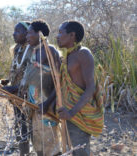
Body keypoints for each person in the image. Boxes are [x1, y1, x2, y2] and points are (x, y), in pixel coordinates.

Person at [56, 21, 104, 156]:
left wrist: (71, 112)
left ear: (72, 35)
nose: (57, 36)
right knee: (71, 151)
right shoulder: (66, 56)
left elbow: (90, 88)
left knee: (80, 151)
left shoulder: (83, 54)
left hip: (79, 113)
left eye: (60, 33)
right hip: (67, 112)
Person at [19, 19, 61, 156]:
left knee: (51, 145)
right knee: (38, 144)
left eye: (29, 33)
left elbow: (60, 81)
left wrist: (48, 103)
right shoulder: (33, 51)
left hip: (47, 106)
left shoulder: (51, 51)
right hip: (34, 105)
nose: (26, 37)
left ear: (40, 34)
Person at [1, 21, 33, 156]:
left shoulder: (32, 49)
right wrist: (5, 83)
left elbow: (33, 77)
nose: (14, 34)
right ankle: (23, 152)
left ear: (26, 34)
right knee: (19, 125)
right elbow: (15, 71)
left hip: (29, 97)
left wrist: (14, 88)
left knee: (29, 125)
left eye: (17, 31)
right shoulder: (17, 49)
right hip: (16, 97)